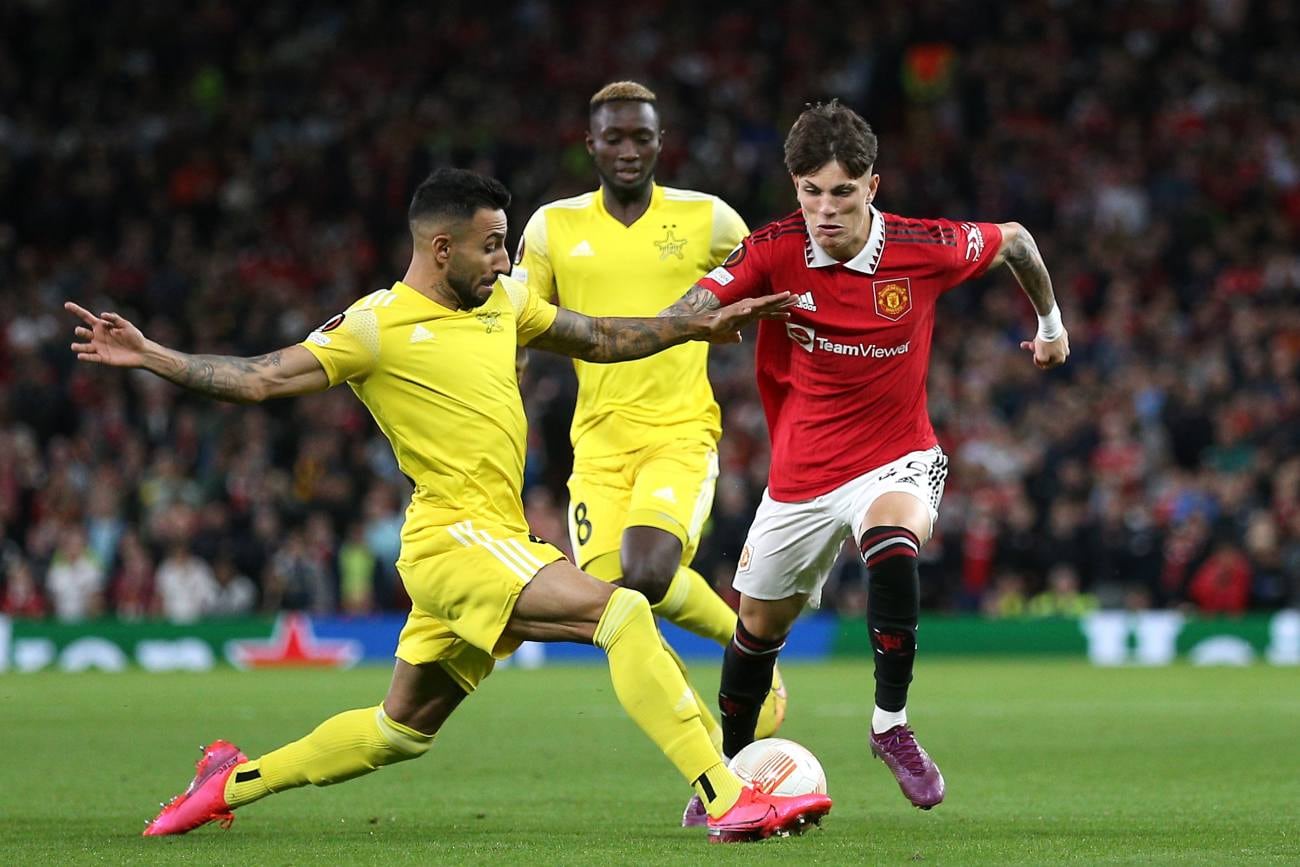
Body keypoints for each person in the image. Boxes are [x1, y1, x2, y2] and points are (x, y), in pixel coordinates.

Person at [65, 167, 828, 843]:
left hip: (484, 542)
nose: (506, 261)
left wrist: (692, 323)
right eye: (493, 245)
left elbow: (596, 336)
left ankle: (225, 784)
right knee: (621, 613)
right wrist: (154, 356)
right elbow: (262, 377)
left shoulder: (504, 303)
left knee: (399, 731)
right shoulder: (374, 326)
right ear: (441, 250)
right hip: (454, 538)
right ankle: (723, 794)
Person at [663, 101, 1070, 810]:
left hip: (896, 456)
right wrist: (706, 316)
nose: (824, 209)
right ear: (795, 188)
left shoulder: (923, 246)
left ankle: (891, 725)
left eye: (841, 192)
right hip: (801, 472)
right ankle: (728, 773)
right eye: (810, 191)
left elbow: (1015, 241)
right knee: (757, 629)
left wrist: (1051, 323)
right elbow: (685, 308)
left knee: (891, 540)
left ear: (872, 187)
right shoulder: (773, 249)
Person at [514, 80, 786, 826]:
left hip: (678, 434)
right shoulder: (551, 229)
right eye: (615, 138)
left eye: (642, 137)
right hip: (595, 449)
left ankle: (744, 663)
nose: (628, 150)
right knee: (620, 612)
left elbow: (778, 267)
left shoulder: (706, 218)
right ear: (591, 144)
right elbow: (513, 323)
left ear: (660, 143)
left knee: (649, 572)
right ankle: (717, 752)